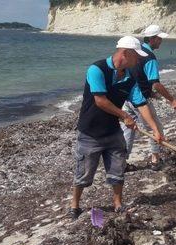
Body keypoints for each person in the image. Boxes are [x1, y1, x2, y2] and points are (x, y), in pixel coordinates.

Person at [69, 36, 164, 219]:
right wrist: (125, 115)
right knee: (84, 174)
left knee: (117, 170)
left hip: (113, 132)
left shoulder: (130, 78)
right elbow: (100, 101)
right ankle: (74, 205)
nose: (139, 60)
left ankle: (118, 203)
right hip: (90, 132)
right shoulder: (97, 70)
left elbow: (141, 103)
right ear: (125, 53)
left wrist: (155, 129)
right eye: (137, 56)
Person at [120, 24, 176, 171]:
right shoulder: (150, 58)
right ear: (152, 39)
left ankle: (120, 163)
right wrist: (172, 100)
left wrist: (148, 90)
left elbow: (134, 75)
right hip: (140, 101)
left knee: (127, 131)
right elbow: (156, 84)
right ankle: (155, 160)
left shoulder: (134, 52)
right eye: (159, 39)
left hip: (126, 98)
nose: (161, 42)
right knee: (156, 129)